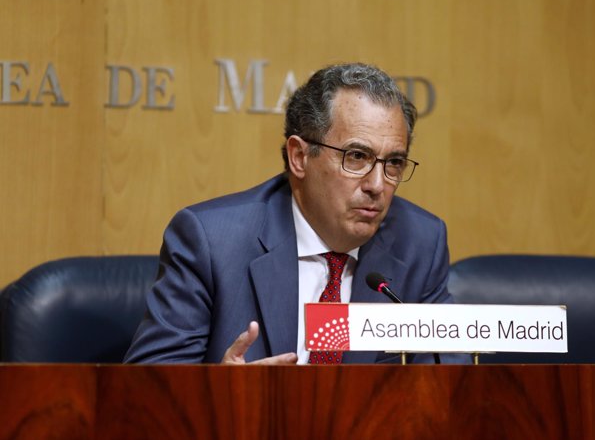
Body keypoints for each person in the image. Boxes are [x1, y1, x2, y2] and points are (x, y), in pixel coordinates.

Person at [124, 62, 469, 365]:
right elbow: (147, 392)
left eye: (393, 163)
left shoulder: (421, 242)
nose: (378, 185)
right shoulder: (212, 241)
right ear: (299, 157)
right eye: (357, 157)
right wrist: (222, 394)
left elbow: (451, 389)